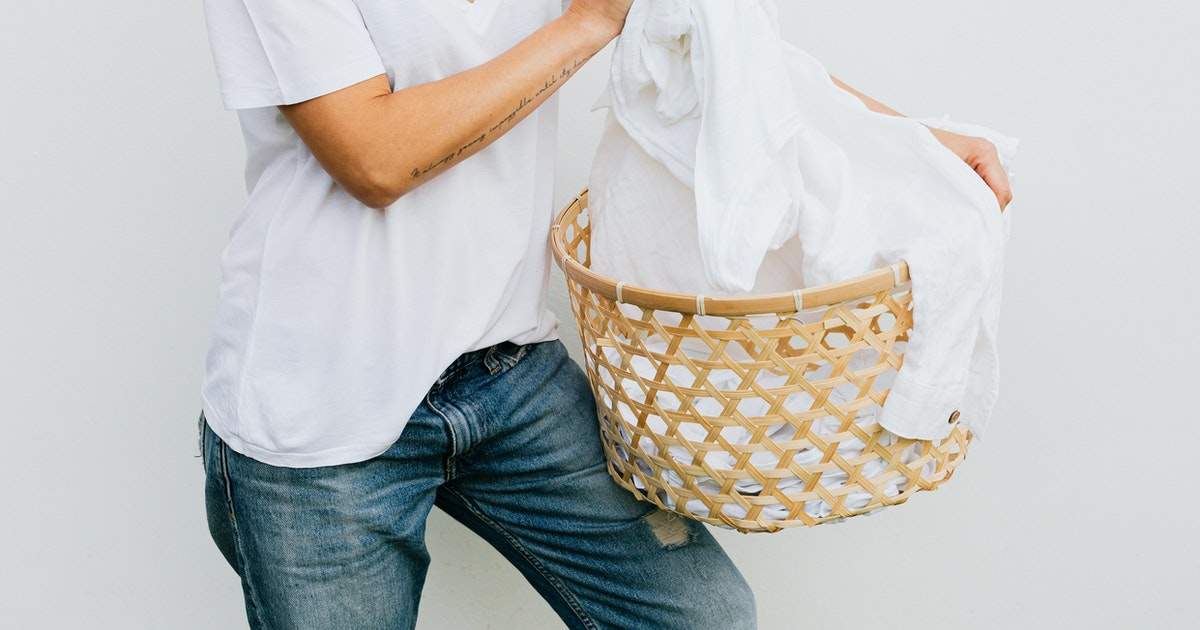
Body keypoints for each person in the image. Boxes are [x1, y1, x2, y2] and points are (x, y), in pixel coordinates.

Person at [198, 1, 1009, 628]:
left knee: (703, 616)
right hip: (317, 408)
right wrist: (587, 23)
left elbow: (724, 51)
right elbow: (370, 157)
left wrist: (911, 141)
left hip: (502, 368)